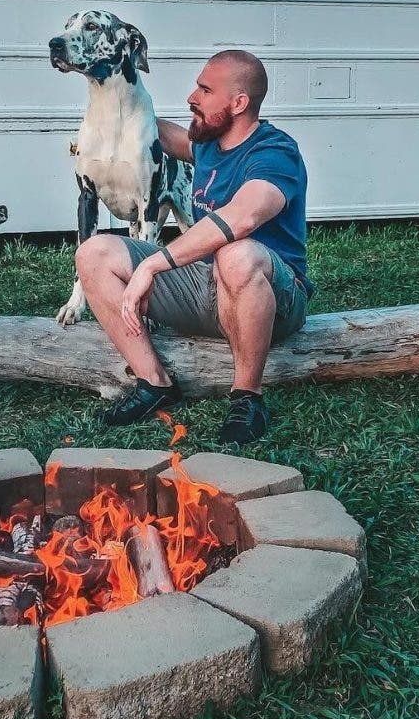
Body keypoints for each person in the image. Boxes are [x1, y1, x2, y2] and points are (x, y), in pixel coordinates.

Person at [75, 49, 313, 445]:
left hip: (274, 297)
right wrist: (115, 100)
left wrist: (153, 266)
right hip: (207, 288)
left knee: (237, 253)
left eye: (205, 89)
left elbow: (244, 218)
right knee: (93, 253)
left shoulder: (274, 152)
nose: (191, 97)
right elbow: (158, 130)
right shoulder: (207, 144)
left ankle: (247, 399)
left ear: (238, 104)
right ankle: (154, 383)